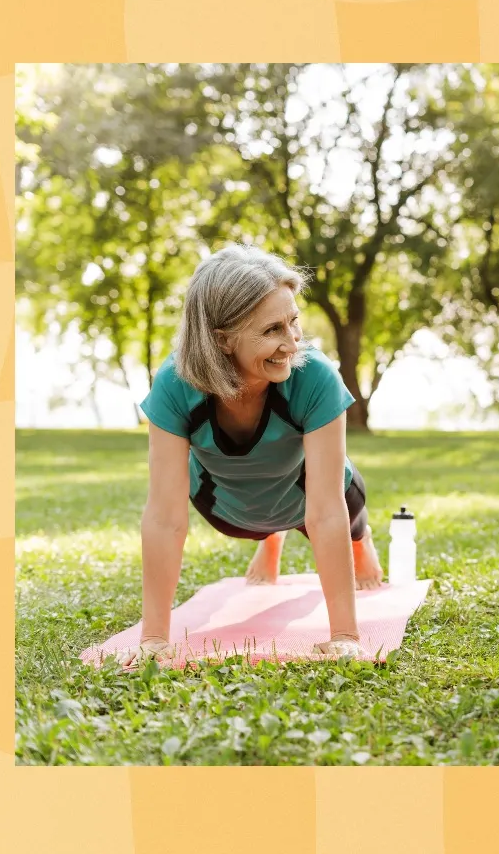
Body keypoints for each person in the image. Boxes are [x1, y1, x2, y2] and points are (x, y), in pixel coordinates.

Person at [118, 245, 383, 667]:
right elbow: (165, 517)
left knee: (348, 503)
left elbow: (327, 511)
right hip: (226, 505)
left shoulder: (315, 375)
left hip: (302, 497)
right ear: (222, 340)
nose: (292, 343)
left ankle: (361, 540)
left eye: (294, 322)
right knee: (253, 525)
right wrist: (153, 640)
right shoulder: (174, 383)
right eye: (272, 330)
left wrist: (345, 636)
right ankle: (270, 537)